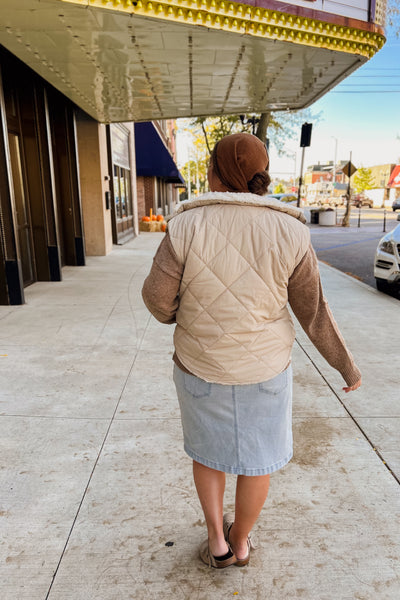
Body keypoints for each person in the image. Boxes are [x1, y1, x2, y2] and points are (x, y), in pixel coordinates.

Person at [142, 133, 361, 569]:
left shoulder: (185, 224)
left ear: (218, 173)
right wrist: (346, 367)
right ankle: (241, 542)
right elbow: (312, 311)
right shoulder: (292, 230)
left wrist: (180, 319)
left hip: (199, 364)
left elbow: (156, 297)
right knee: (257, 461)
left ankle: (216, 544)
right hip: (266, 369)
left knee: (208, 454)